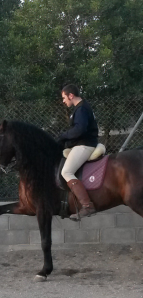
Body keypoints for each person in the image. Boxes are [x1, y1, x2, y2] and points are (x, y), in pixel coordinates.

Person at [58, 84, 98, 220]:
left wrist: (63, 136)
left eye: (64, 98)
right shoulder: (81, 107)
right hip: (83, 144)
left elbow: (79, 130)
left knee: (66, 172)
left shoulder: (81, 109)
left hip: (85, 145)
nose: (63, 101)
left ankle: (87, 206)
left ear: (71, 95)